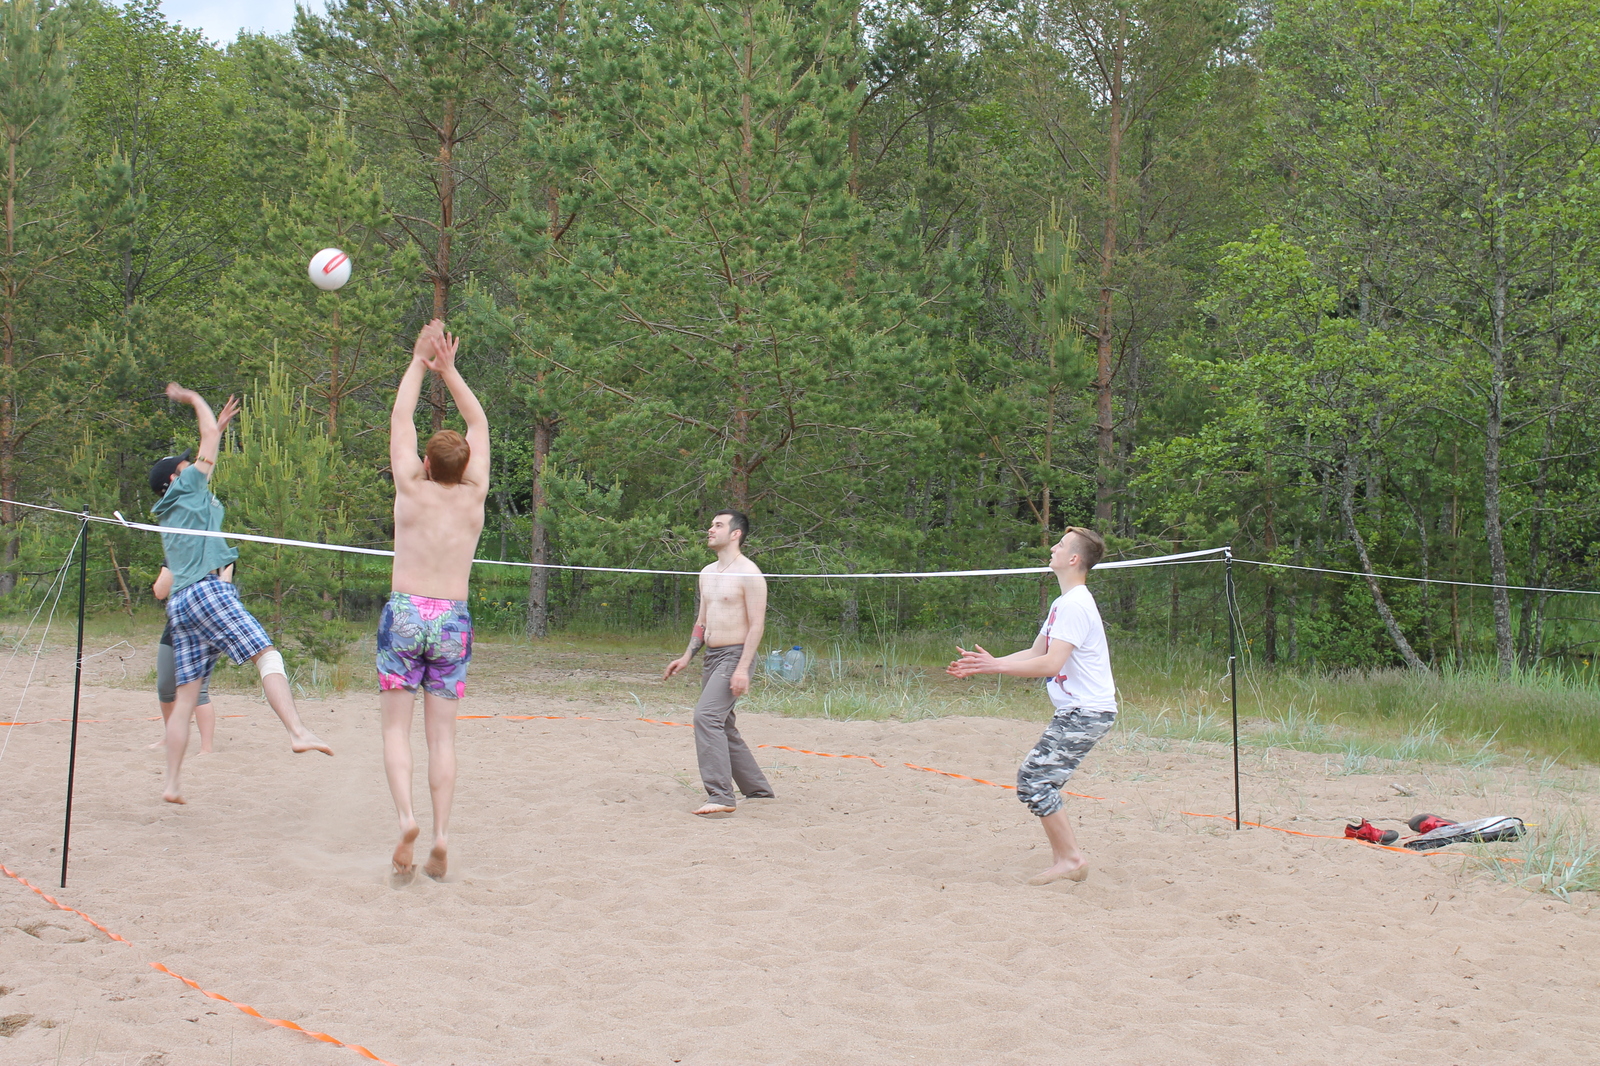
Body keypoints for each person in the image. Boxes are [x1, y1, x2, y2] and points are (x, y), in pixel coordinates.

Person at [151, 385, 332, 805]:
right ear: (174, 479)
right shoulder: (189, 488)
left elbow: (209, 442)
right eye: (185, 464)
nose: (192, 463)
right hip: (208, 591)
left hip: (180, 606)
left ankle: (173, 783)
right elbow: (208, 444)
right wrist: (195, 400)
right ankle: (298, 731)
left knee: (186, 699)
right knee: (267, 654)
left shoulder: (171, 509)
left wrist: (217, 426)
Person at [380, 320, 489, 879]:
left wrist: (420, 364)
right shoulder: (474, 497)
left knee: (396, 730)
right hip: (452, 618)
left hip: (405, 612)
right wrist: (450, 371)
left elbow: (402, 418)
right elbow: (478, 420)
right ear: (466, 465)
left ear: (427, 463)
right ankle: (442, 835)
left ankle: (406, 819)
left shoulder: (410, 486)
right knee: (442, 735)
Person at [947, 527, 1116, 885]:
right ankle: (1066, 859)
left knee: (1035, 780)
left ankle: (1070, 858)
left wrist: (996, 666)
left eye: (1060, 545)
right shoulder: (1063, 603)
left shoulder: (1075, 604)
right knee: (1037, 779)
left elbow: (1051, 665)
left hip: (1087, 711)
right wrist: (987, 664)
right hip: (1078, 710)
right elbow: (1036, 652)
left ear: (1074, 559)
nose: (1052, 548)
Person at [663, 510, 775, 816]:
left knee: (706, 716)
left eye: (718, 525)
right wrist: (687, 657)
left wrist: (742, 668)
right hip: (712, 657)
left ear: (736, 534)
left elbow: (756, 625)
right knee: (723, 723)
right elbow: (702, 621)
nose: (710, 530)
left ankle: (721, 795)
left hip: (735, 656)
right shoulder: (707, 572)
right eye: (711, 525)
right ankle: (757, 789)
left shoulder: (749, 573)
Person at [147, 561, 230, 753]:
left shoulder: (220, 555)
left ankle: (206, 748)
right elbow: (160, 592)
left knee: (198, 692)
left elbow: (223, 592)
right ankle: (171, 738)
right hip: (177, 625)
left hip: (207, 627)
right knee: (165, 687)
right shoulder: (175, 555)